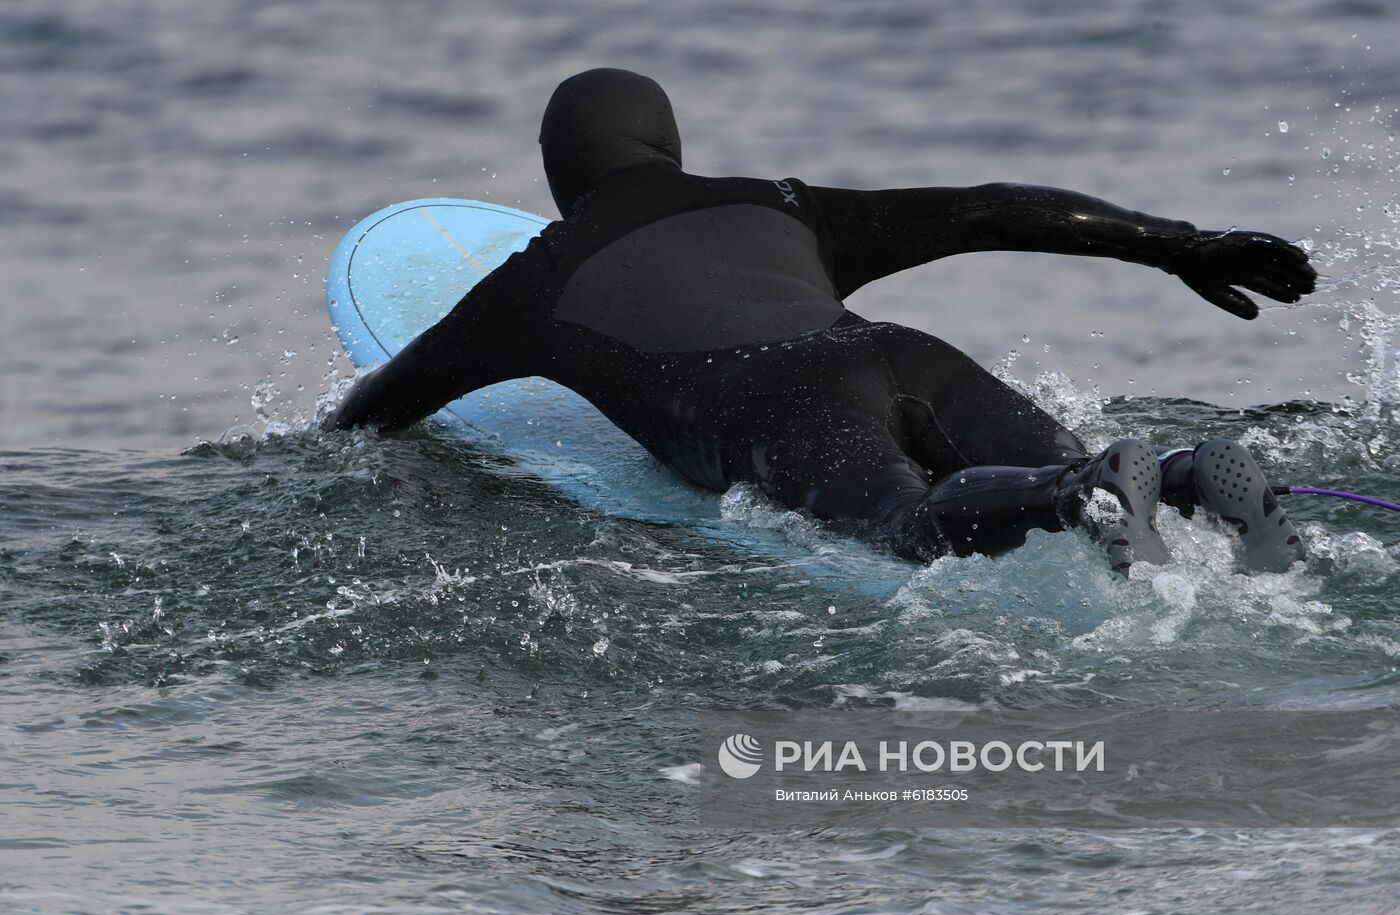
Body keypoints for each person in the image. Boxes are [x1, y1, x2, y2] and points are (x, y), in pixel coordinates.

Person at [332, 68, 1318, 574]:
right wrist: (1180, 244)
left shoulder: (531, 286)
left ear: (560, 166)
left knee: (912, 528)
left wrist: (323, 449)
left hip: (781, 404)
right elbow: (986, 206)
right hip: (904, 356)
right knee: (1076, 477)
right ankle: (1188, 476)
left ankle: (1086, 494)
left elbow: (380, 405)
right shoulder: (784, 203)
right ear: (666, 142)